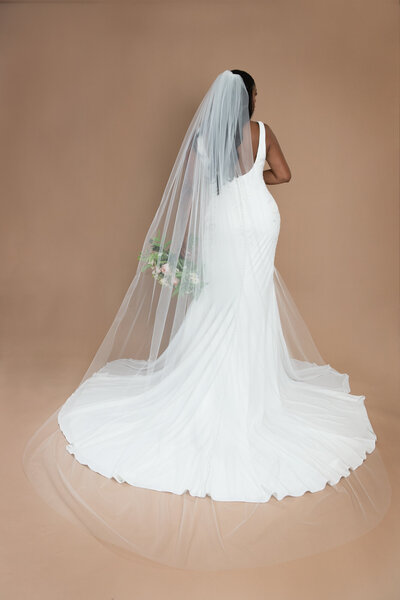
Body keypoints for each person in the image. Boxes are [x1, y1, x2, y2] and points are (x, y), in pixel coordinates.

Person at [23, 70, 389, 567]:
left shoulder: (203, 139)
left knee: (217, 302)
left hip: (221, 225)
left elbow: (192, 198)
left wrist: (210, 211)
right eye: (255, 94)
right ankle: (253, 392)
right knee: (250, 301)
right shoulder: (262, 134)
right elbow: (284, 175)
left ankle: (211, 388)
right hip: (260, 223)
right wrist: (252, 180)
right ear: (249, 100)